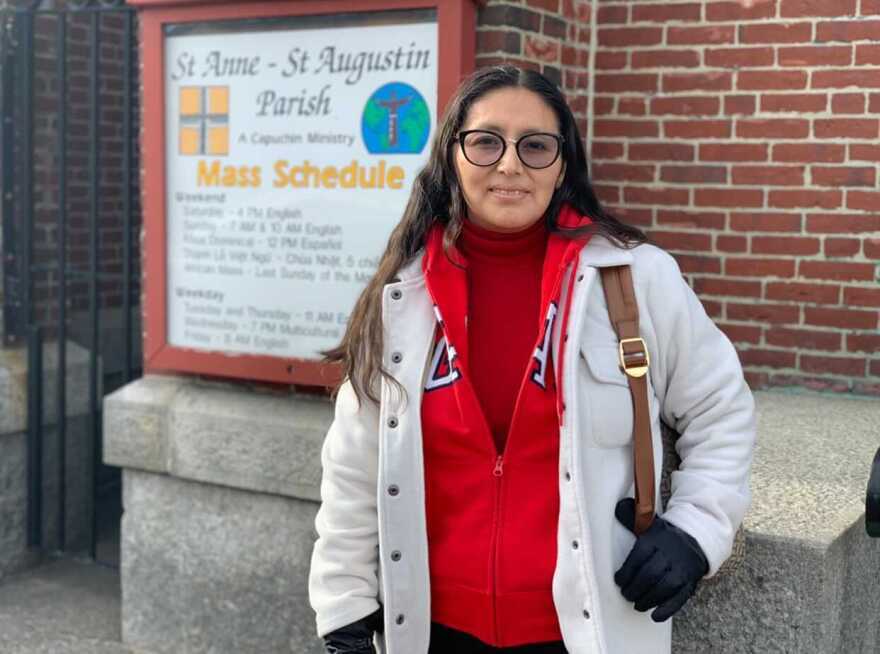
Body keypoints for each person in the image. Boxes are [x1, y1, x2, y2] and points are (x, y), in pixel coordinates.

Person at [308, 65, 756, 654]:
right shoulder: (401, 296)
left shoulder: (634, 280)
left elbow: (721, 409)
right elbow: (354, 469)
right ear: (452, 157)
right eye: (486, 141)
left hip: (585, 630)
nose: (510, 164)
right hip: (430, 630)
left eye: (536, 145)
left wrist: (697, 531)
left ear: (562, 163)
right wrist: (344, 610)